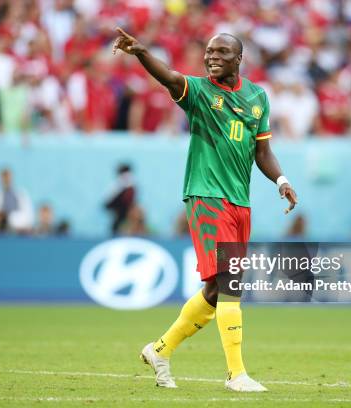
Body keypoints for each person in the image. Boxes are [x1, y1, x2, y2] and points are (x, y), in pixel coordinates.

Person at [113, 28, 298, 392]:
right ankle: (236, 374)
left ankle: (160, 349)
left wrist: (281, 181)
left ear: (239, 59)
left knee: (216, 290)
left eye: (221, 52)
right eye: (209, 52)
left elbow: (262, 152)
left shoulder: (257, 97)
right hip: (206, 196)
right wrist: (142, 52)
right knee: (231, 282)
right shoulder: (198, 92)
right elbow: (170, 77)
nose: (211, 57)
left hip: (239, 202)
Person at [0, 167, 34, 233]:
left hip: (22, 232)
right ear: (0, 178)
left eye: (8, 177)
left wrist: (11, 219)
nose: (6, 179)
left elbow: (29, 216)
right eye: (4, 177)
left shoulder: (21, 194)